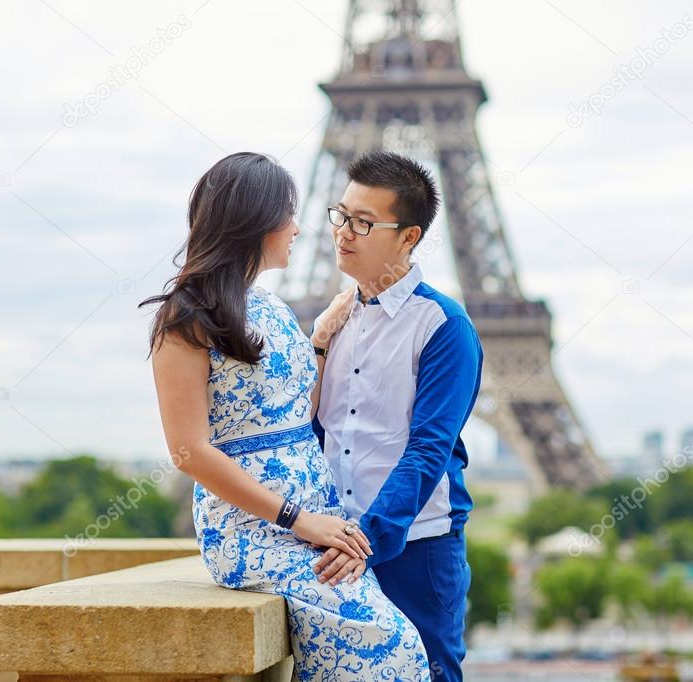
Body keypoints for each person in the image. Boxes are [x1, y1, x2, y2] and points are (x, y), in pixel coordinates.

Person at [141, 151, 431, 680]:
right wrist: (299, 520)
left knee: (389, 651)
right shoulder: (186, 316)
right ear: (255, 220)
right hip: (255, 530)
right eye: (289, 214)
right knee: (391, 645)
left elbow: (299, 410)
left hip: (315, 520)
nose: (299, 227)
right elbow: (188, 451)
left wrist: (318, 341)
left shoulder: (270, 307)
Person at [310, 150, 484, 682]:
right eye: (341, 215)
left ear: (408, 237)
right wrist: (317, 345)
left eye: (364, 222)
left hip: (415, 549)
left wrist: (368, 540)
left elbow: (428, 449)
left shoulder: (444, 326)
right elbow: (315, 432)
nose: (345, 232)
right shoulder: (334, 322)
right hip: (332, 545)